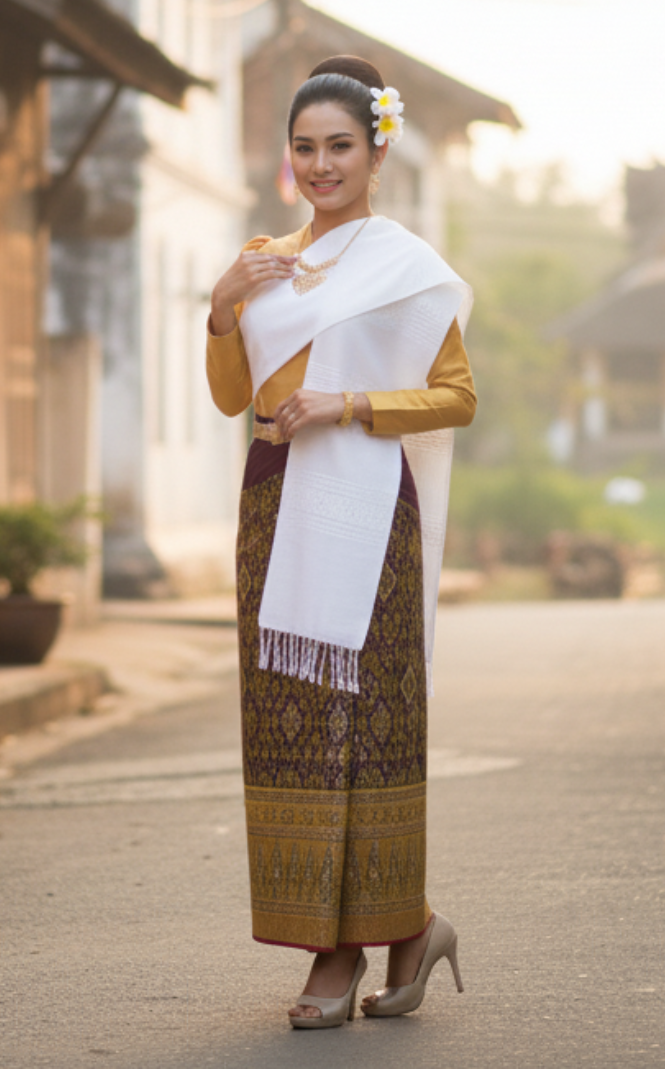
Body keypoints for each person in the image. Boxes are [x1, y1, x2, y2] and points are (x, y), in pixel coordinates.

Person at [205, 54, 477, 1028]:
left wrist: (350, 403)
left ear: (374, 154)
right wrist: (221, 305)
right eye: (304, 148)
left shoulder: (404, 268)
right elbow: (235, 397)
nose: (320, 166)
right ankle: (365, 937)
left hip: (369, 510)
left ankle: (365, 943)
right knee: (290, 728)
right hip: (275, 504)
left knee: (370, 730)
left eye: (339, 148)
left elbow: (456, 396)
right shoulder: (264, 260)